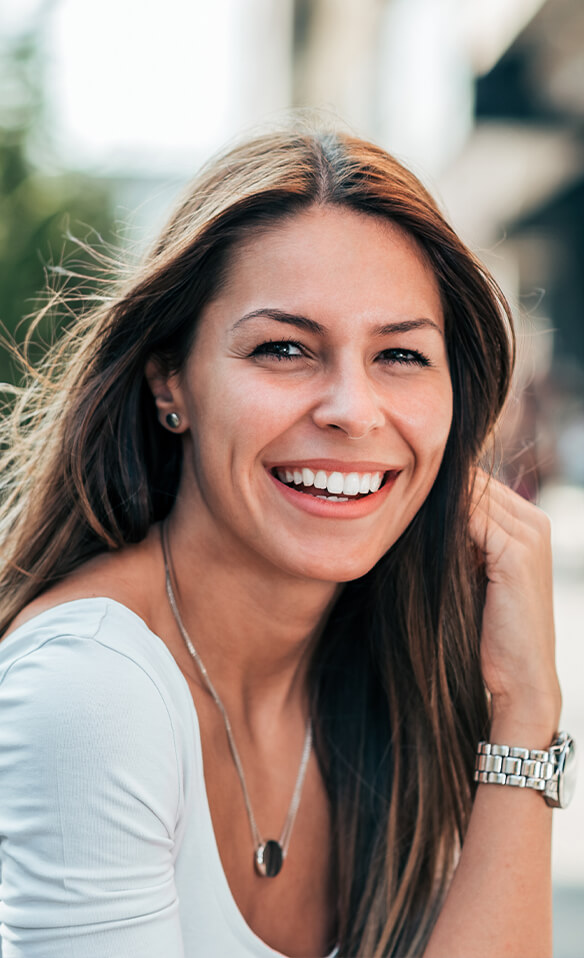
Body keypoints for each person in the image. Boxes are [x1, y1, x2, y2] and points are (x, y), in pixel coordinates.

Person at [0, 127, 574, 958]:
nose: (353, 408)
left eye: (402, 354)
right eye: (284, 348)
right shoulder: (91, 688)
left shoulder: (387, 667)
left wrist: (527, 710)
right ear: (172, 382)